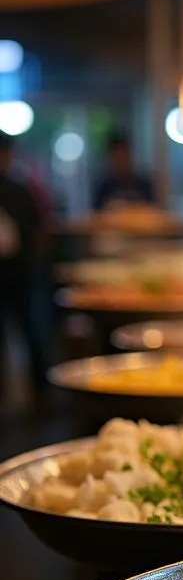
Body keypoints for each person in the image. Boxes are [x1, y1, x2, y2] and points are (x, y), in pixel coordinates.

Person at [0, 132, 48, 404]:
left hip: (19, 274)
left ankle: (41, 393)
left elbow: (38, 231)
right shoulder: (19, 190)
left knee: (32, 332)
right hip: (18, 274)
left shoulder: (20, 191)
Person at [93, 132, 154, 210]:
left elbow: (153, 211)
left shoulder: (144, 184)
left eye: (123, 155)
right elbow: (97, 216)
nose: (121, 160)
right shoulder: (104, 188)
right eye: (117, 156)